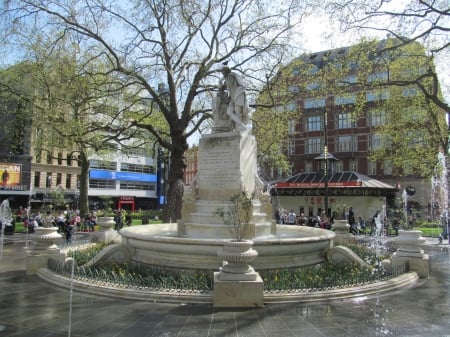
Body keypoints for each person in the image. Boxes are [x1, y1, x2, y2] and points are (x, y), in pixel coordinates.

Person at [219, 66, 249, 131]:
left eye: (223, 72)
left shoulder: (231, 76)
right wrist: (220, 81)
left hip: (238, 95)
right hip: (232, 98)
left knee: (238, 112)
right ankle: (241, 125)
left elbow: (229, 84)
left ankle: (239, 128)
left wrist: (223, 80)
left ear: (226, 71)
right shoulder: (227, 78)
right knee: (229, 112)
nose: (222, 74)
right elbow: (222, 88)